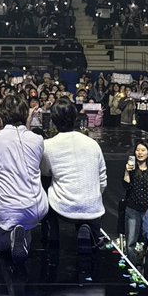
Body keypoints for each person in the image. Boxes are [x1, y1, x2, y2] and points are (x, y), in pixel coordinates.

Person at [0, 94, 48, 264]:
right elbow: (26, 143)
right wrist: (28, 124)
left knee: (0, 245)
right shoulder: (37, 139)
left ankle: (11, 238)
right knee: (25, 225)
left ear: (1, 115)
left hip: (4, 209)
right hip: (34, 208)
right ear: (26, 115)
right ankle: (21, 235)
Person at [40, 97, 107, 253]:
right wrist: (93, 197)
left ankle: (52, 237)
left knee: (43, 181)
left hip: (63, 208)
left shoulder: (48, 146)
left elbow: (44, 172)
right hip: (93, 207)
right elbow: (102, 179)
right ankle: (88, 229)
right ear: (75, 117)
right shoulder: (92, 143)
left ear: (53, 120)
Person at [121, 140, 148, 255]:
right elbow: (126, 186)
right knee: (130, 242)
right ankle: (132, 264)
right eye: (137, 150)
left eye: (143, 150)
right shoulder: (131, 168)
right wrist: (127, 172)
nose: (140, 153)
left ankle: (146, 263)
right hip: (132, 209)